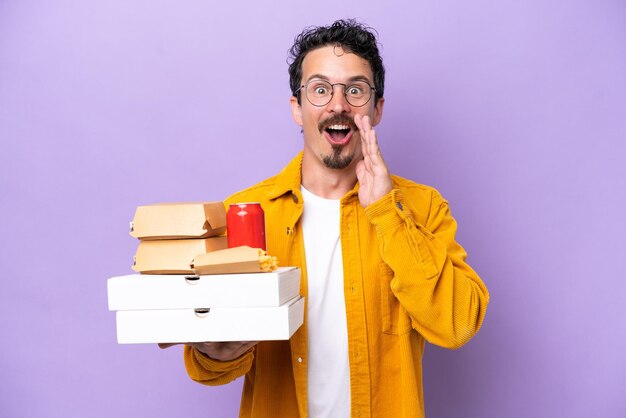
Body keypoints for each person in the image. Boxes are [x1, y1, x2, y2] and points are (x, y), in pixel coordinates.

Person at [168, 19, 489, 418]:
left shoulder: (421, 207)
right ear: (297, 109)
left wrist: (387, 211)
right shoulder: (245, 213)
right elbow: (207, 370)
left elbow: (457, 324)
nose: (338, 104)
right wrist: (215, 353)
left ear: (377, 109)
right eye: (320, 90)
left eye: (355, 90)